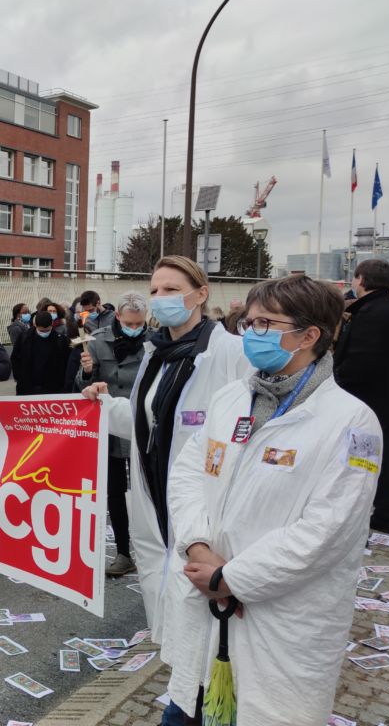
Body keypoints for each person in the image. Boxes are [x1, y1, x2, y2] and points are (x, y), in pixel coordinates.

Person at [162, 275, 382, 725]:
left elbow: (329, 531)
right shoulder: (231, 399)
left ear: (309, 335)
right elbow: (186, 474)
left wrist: (233, 577)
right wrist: (200, 549)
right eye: (249, 321)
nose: (251, 332)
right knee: (187, 709)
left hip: (280, 623)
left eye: (265, 323)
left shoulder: (354, 423)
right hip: (206, 603)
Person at [82, 255, 249, 652]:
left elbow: (246, 432)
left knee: (204, 626)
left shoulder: (229, 353)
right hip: (154, 496)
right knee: (166, 602)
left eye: (172, 290)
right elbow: (147, 424)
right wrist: (102, 406)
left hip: (204, 506)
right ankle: (175, 668)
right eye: (155, 290)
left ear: (200, 295)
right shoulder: (155, 356)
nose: (160, 298)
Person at [333, 259, 389, 533]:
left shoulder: (368, 313)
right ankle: (386, 515)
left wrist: (337, 383)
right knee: (387, 458)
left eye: (355, 279)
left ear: (361, 280)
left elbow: (357, 360)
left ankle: (358, 522)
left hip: (363, 401)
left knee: (357, 464)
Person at [74, 291, 149, 577]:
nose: (134, 327)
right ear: (117, 316)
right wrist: (87, 373)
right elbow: (80, 384)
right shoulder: (97, 340)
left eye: (139, 323)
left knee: (147, 490)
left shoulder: (154, 341)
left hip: (141, 423)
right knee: (114, 491)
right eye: (129, 322)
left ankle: (153, 545)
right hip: (109, 428)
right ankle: (123, 551)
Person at [10, 308, 70, 395]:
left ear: (52, 324)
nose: (44, 333)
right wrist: (19, 377)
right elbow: (15, 358)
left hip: (54, 388)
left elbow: (65, 364)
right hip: (28, 387)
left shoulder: (61, 340)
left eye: (47, 330)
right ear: (35, 325)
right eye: (41, 331)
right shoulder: (24, 338)